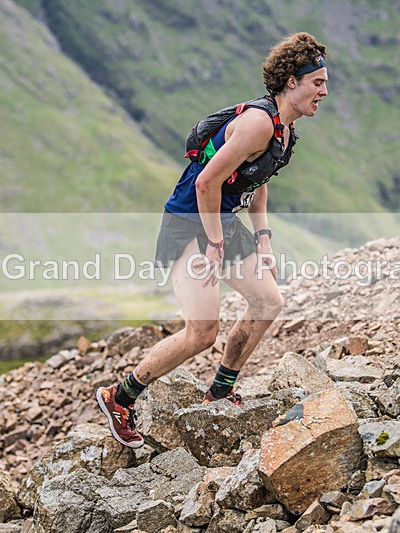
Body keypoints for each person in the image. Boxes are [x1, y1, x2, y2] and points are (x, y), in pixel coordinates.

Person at [97, 32, 328, 448]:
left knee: (269, 301)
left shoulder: (284, 133)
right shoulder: (259, 123)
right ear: (292, 81)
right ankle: (120, 397)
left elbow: (258, 184)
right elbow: (206, 183)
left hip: (220, 221)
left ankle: (220, 391)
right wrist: (216, 244)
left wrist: (263, 240)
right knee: (202, 332)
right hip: (190, 222)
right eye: (318, 83)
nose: (324, 92)